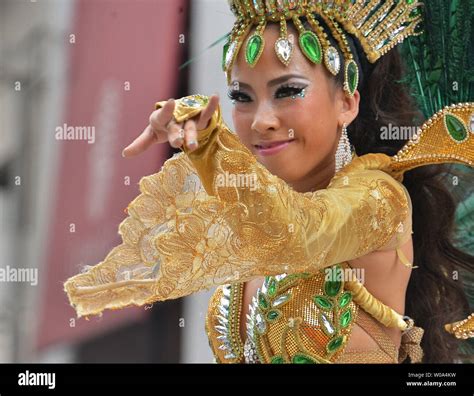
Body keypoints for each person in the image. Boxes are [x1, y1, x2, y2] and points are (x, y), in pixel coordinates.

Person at [64, 0, 474, 363]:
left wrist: (209, 146)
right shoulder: (250, 214)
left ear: (347, 101)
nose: (261, 121)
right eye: (242, 97)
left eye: (288, 91)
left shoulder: (378, 199)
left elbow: (295, 233)